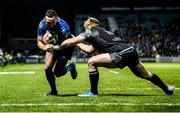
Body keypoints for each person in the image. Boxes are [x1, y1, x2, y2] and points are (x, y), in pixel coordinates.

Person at [49, 17, 174, 96]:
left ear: (89, 25)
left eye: (85, 25)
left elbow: (71, 42)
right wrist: (77, 41)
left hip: (121, 53)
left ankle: (93, 92)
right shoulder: (103, 32)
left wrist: (57, 47)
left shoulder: (89, 31)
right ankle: (166, 88)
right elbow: (89, 50)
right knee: (146, 74)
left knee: (91, 62)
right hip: (130, 50)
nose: (84, 27)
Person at [37, 9, 77, 96]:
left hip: (65, 47)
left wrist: (52, 47)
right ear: (45, 19)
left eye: (52, 22)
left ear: (56, 18)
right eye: (48, 22)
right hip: (53, 46)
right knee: (47, 68)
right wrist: (45, 47)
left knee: (58, 73)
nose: (50, 24)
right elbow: (39, 41)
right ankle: (54, 91)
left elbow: (65, 44)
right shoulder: (42, 24)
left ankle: (71, 67)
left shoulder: (64, 27)